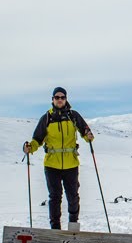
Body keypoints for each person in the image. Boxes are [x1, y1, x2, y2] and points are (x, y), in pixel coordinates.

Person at [23, 87, 95, 229]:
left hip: (71, 164)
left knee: (73, 197)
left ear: (66, 99)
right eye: (57, 97)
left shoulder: (73, 116)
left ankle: (73, 227)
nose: (60, 100)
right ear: (52, 99)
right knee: (55, 197)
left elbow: (85, 132)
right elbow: (37, 140)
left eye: (62, 97)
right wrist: (30, 147)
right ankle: (55, 230)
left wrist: (89, 136)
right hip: (51, 165)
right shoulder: (47, 118)